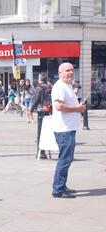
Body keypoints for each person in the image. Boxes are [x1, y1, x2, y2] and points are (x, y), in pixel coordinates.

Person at [51, 62, 86, 198]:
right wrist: (77, 109)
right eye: (67, 71)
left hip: (69, 128)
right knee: (64, 160)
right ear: (60, 73)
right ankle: (58, 189)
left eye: (71, 70)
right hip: (64, 129)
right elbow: (59, 106)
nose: (70, 73)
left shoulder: (68, 86)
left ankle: (62, 185)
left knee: (67, 159)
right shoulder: (59, 87)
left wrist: (77, 106)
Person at [31, 74, 51, 159]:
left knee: (40, 131)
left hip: (41, 110)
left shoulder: (39, 88)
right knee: (46, 130)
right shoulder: (49, 87)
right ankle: (44, 151)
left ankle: (41, 152)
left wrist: (31, 109)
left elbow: (36, 100)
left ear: (40, 80)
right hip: (48, 110)